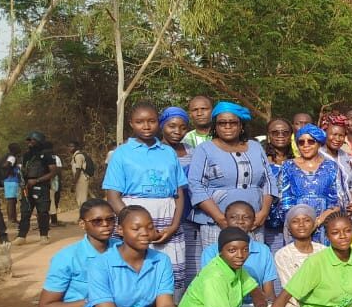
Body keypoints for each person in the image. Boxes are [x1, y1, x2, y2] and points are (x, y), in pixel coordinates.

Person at [103, 103, 190, 296]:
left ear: (159, 123)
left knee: (168, 273)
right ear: (131, 123)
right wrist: (135, 224)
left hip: (167, 220)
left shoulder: (168, 152)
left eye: (151, 121)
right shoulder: (121, 153)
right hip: (133, 220)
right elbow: (113, 196)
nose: (146, 126)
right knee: (136, 271)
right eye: (139, 122)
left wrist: (174, 226)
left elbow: (179, 193)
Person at [188, 101, 275, 248]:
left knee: (253, 260)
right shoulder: (204, 149)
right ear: (215, 126)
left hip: (254, 222)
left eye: (233, 122)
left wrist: (264, 212)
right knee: (218, 261)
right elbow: (195, 185)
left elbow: (269, 181)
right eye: (222, 123)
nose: (227, 126)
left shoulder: (255, 147)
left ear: (241, 126)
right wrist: (220, 219)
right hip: (216, 223)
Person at [274, 124, 349, 244]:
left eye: (311, 141)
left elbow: (339, 201)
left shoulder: (332, 167)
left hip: (325, 225)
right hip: (296, 227)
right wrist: (301, 224)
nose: (306, 145)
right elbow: (283, 200)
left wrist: (318, 221)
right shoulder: (287, 166)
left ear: (319, 143)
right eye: (301, 142)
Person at [200, 201, 279, 307]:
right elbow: (212, 291)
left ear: (254, 222)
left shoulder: (263, 250)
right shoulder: (211, 252)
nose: (240, 221)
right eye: (234, 217)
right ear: (225, 220)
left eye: (246, 217)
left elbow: (269, 292)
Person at [160, 107, 199, 291]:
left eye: (183, 127)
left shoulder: (193, 151)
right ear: (162, 125)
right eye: (172, 126)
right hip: (167, 214)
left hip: (192, 215)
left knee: (190, 260)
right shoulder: (155, 151)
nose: (177, 131)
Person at [273, 204, 325, 307]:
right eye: (295, 221)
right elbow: (292, 290)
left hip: (324, 305)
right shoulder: (283, 255)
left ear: (314, 225)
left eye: (307, 220)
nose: (301, 224)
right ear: (289, 228)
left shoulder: (323, 251)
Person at [13, 131, 58, 245]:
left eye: (32, 140)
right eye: (28, 140)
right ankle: (21, 236)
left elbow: (53, 172)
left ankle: (44, 236)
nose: (29, 142)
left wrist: (37, 180)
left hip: (42, 187)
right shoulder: (26, 155)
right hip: (27, 187)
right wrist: (22, 181)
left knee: (43, 212)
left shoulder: (47, 155)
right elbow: (23, 170)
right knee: (25, 212)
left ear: (39, 141)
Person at [262, 118, 294, 251]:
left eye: (285, 132)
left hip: (292, 223)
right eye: (275, 132)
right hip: (266, 222)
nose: (280, 135)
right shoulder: (261, 161)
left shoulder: (297, 161)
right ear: (269, 136)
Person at [3, 142, 22, 224]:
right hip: (11, 181)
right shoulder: (12, 157)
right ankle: (11, 219)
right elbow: (5, 165)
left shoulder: (9, 156)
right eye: (18, 147)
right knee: (11, 200)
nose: (20, 149)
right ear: (15, 149)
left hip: (9, 181)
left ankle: (13, 218)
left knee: (12, 200)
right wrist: (11, 171)